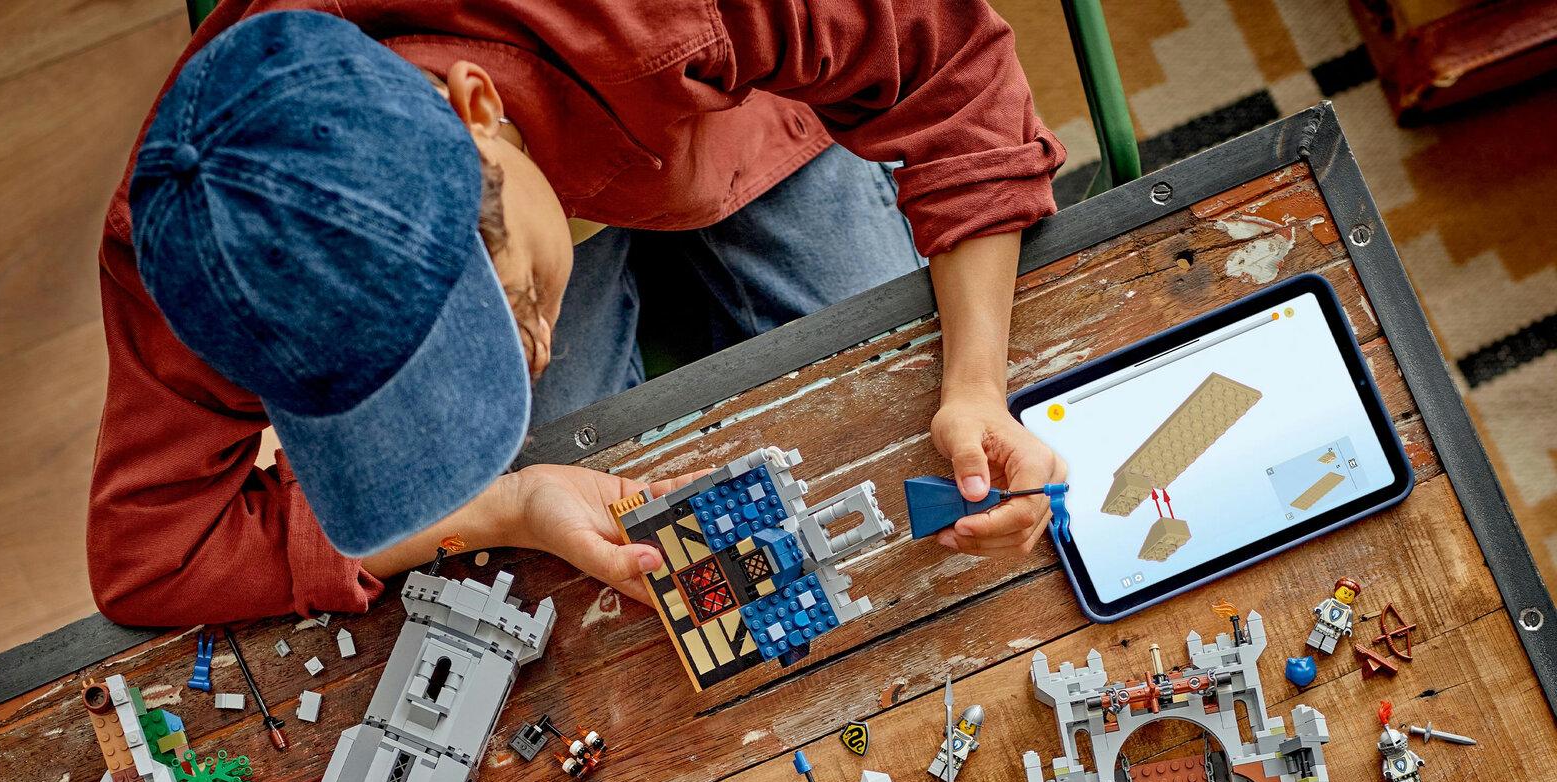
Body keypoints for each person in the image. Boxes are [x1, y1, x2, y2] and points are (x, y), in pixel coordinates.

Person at [90, 0, 1068, 627]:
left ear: (475, 108)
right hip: (564, 164)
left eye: (510, 310)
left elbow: (949, 66)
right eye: (431, 369)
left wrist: (977, 385)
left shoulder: (655, 10)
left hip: (740, 112)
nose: (532, 358)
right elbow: (156, 553)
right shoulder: (192, 245)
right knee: (596, 527)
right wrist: (507, 505)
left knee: (886, 399)